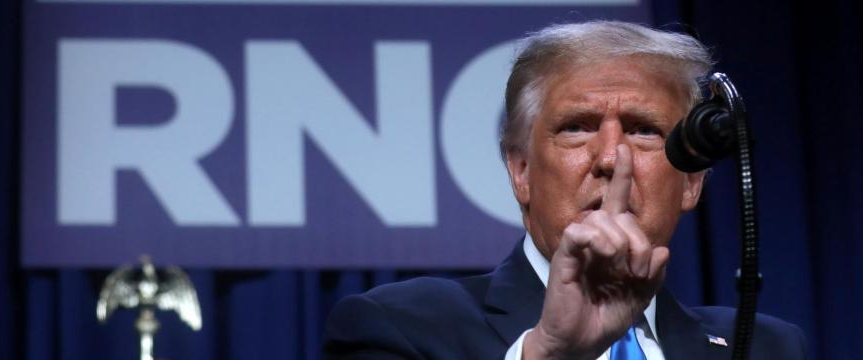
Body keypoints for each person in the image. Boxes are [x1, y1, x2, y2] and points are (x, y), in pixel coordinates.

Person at [323, 21, 806, 359]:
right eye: (577, 127)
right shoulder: (402, 328)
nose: (611, 157)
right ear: (521, 170)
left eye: (643, 130)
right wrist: (548, 355)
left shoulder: (768, 347)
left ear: (692, 180)